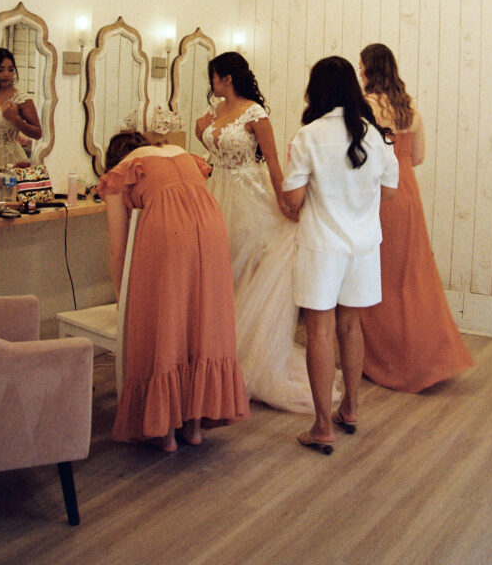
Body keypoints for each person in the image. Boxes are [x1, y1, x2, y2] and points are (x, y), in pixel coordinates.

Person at [195, 51, 332, 414]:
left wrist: (287, 206)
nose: (211, 84)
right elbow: (203, 131)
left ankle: (244, 355)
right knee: (217, 268)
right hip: (217, 191)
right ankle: (218, 354)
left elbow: (272, 163)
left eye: (214, 77)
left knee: (244, 267)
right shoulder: (216, 112)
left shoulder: (256, 113)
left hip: (249, 196)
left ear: (226, 78)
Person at [96, 130, 249, 452]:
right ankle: (193, 427)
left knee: (167, 320)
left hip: (169, 231)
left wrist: (123, 299)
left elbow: (117, 248)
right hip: (211, 226)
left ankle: (165, 430)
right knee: (200, 320)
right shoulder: (179, 153)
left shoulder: (120, 171)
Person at [282, 56, 399, 453]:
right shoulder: (378, 137)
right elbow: (389, 191)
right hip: (364, 245)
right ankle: (349, 407)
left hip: (321, 245)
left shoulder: (308, 136)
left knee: (320, 331)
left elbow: (294, 201)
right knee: (351, 326)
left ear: (316, 90)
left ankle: (320, 426)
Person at [358, 43, 473, 392]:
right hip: (408, 194)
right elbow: (418, 157)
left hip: (379, 195)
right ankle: (427, 355)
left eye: (362, 67)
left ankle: (387, 359)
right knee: (412, 277)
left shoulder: (367, 106)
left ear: (370, 70)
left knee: (378, 277)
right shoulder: (410, 109)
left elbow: (361, 155)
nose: (360, 72)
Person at [0, 47, 42, 171]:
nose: (6, 74)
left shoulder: (21, 99)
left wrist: (15, 119)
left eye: (10, 70)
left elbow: (38, 133)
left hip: (11, 161)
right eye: (0, 70)